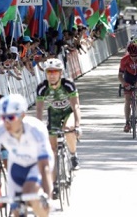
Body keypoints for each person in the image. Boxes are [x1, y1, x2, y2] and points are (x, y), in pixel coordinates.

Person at [0, 94, 52, 217]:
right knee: (16, 211)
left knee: (31, 193)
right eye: (3, 118)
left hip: (37, 164)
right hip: (16, 166)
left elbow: (44, 166)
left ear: (22, 116)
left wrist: (48, 195)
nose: (7, 122)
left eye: (11, 117)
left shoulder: (36, 129)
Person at [35, 58, 81, 199]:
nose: (52, 74)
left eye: (55, 71)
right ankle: (54, 184)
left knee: (69, 129)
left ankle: (73, 155)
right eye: (49, 72)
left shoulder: (68, 85)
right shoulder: (42, 88)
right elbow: (39, 110)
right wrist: (37, 128)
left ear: (60, 73)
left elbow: (76, 106)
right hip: (53, 115)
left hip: (68, 113)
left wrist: (78, 125)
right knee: (53, 150)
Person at [118, 42, 137, 132]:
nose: (134, 57)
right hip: (129, 76)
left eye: (136, 56)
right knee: (127, 99)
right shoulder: (124, 59)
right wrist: (124, 84)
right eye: (132, 56)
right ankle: (127, 122)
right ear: (129, 54)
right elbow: (120, 75)